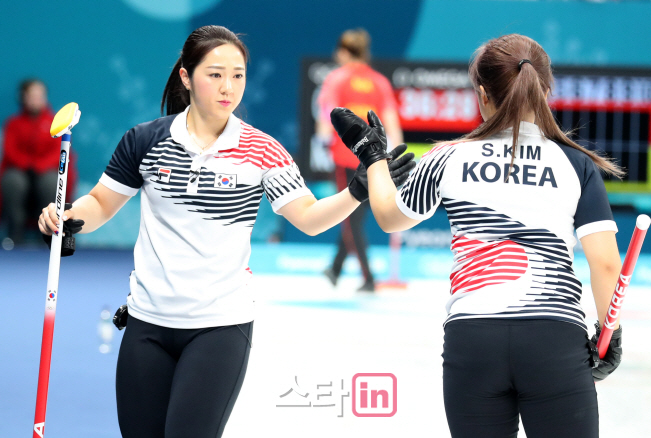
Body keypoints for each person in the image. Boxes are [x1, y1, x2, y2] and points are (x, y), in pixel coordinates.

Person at [38, 25, 414, 438]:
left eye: (238, 75)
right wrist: (66, 215)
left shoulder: (263, 150)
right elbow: (100, 205)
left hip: (219, 327)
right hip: (148, 323)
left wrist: (356, 191)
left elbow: (308, 217)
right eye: (215, 74)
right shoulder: (145, 141)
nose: (228, 87)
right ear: (186, 76)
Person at [330, 34, 624, 438]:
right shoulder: (575, 164)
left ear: (482, 95)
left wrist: (372, 155)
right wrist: (611, 335)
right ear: (545, 90)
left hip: (473, 339)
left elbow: (388, 216)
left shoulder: (447, 156)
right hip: (553, 339)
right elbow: (606, 263)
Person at [317, 28, 403, 292]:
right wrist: (394, 155)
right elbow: (391, 121)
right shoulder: (379, 81)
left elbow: (327, 116)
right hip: (375, 159)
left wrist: (323, 139)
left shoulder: (336, 78)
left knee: (350, 218)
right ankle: (335, 268)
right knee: (353, 216)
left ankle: (368, 278)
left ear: (343, 51)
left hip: (345, 156)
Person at [1, 79, 77, 245]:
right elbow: (10, 150)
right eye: (32, 95)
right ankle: (15, 233)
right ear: (23, 97)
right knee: (13, 181)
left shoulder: (56, 123)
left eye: (40, 95)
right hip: (21, 173)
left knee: (51, 182)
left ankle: (48, 233)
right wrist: (27, 165)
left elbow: (59, 152)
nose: (37, 99)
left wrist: (39, 166)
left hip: (45, 173)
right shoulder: (13, 124)